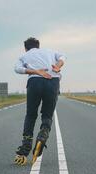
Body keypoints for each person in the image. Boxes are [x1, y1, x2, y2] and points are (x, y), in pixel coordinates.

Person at [14, 37, 66, 165]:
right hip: (53, 82)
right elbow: (63, 56)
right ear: (38, 46)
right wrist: (58, 66)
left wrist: (35, 71)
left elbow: (17, 69)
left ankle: (25, 149)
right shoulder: (50, 51)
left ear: (26, 48)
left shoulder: (25, 55)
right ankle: (42, 136)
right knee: (47, 115)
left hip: (35, 81)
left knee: (31, 115)